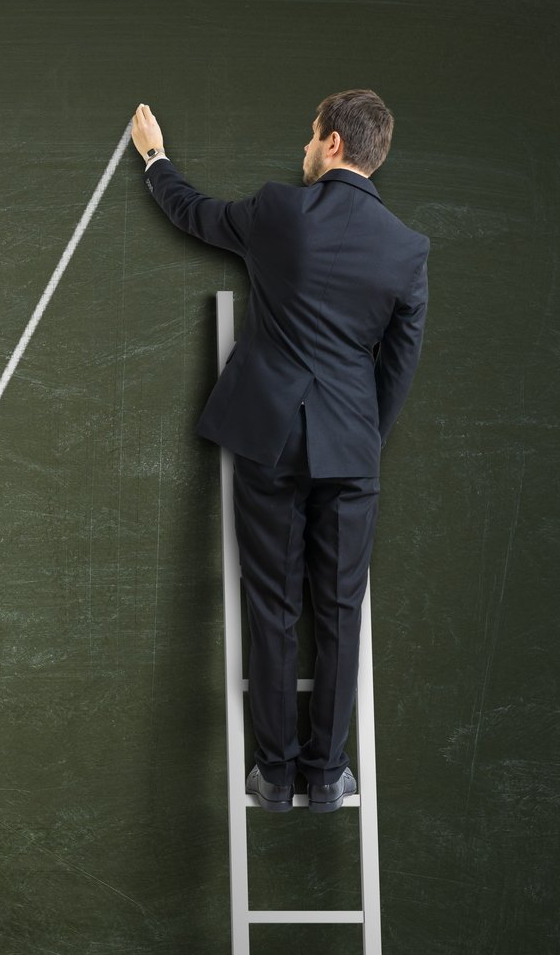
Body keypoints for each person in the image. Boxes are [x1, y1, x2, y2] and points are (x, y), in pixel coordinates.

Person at [130, 92, 429, 813]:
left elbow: (194, 213)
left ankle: (272, 773)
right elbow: (399, 365)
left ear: (332, 143)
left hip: (269, 439)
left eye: (309, 136)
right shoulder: (406, 248)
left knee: (271, 605)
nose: (303, 148)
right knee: (340, 611)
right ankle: (325, 776)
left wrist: (155, 157)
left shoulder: (278, 211)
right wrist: (362, 438)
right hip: (351, 448)